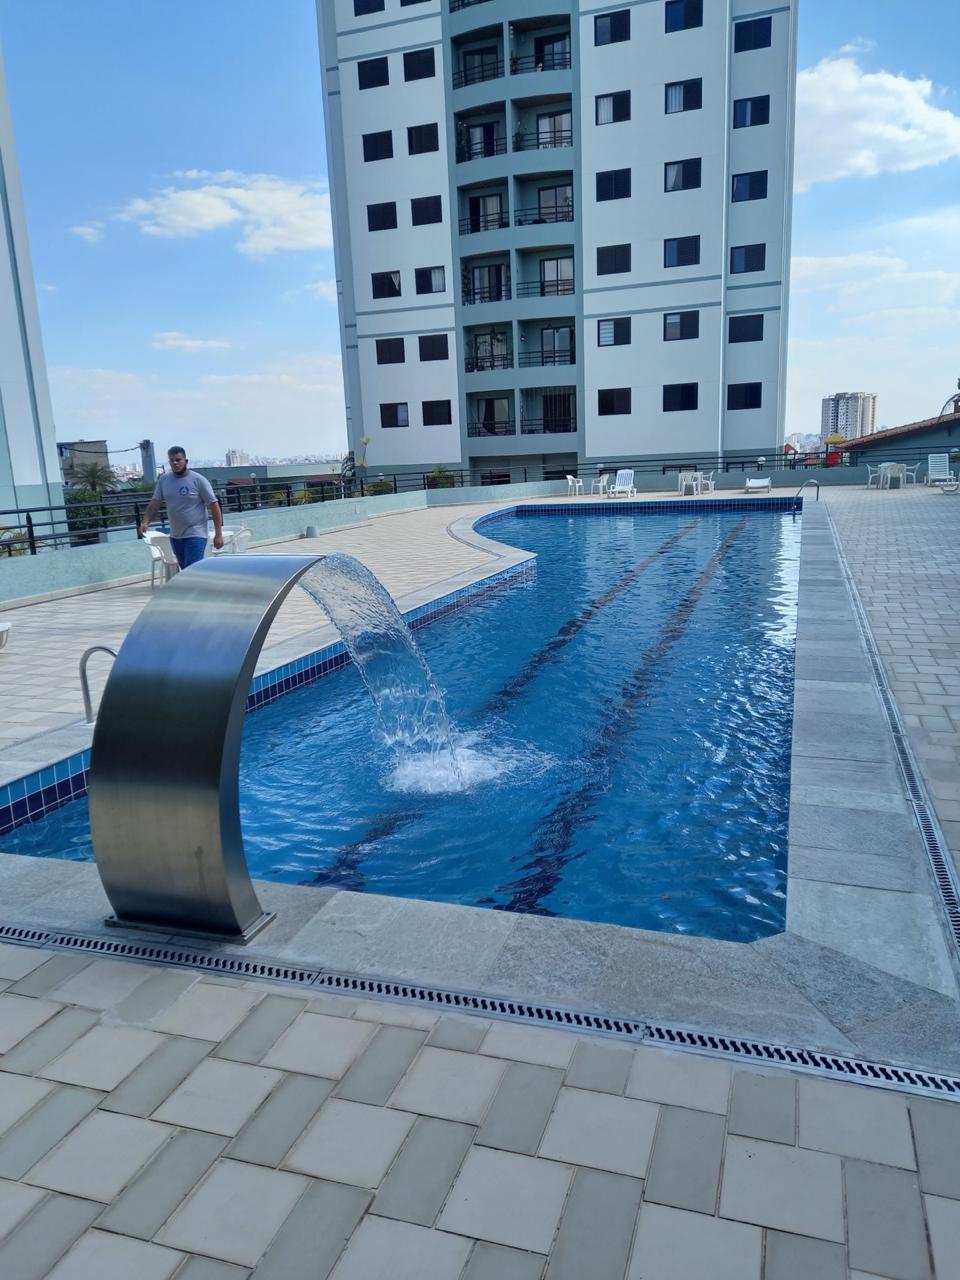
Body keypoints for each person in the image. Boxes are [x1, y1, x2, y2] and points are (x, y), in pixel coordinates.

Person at [139, 446, 223, 568]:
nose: (175, 463)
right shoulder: (164, 480)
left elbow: (214, 505)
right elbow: (155, 503)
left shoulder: (198, 480)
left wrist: (218, 534)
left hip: (196, 534)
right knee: (185, 570)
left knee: (192, 569)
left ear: (185, 461)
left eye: (178, 460)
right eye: (172, 460)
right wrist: (145, 522)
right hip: (176, 536)